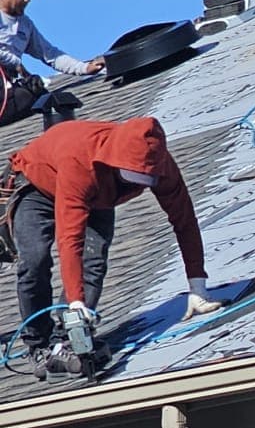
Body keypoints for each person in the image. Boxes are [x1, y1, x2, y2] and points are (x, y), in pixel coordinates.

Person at [5, 116, 221, 378]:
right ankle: (39, 345)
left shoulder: (160, 164)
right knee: (35, 259)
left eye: (143, 180)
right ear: (116, 160)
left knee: (93, 263)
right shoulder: (80, 162)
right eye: (131, 177)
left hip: (97, 195)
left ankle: (67, 339)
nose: (136, 185)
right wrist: (76, 300)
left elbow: (184, 220)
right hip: (38, 186)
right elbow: (69, 239)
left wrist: (197, 287)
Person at [0, 0, 103, 125]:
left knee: (42, 99)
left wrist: (84, 68)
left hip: (7, 90)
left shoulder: (25, 26)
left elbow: (50, 54)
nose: (27, 0)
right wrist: (15, 63)